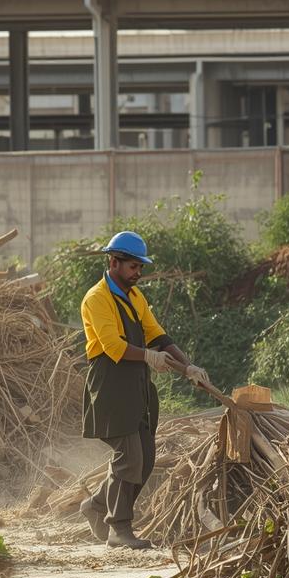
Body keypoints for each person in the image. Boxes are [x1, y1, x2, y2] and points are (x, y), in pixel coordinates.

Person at [79, 230, 210, 549]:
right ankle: (119, 529)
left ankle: (96, 505)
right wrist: (149, 357)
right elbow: (112, 346)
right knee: (129, 456)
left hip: (136, 382)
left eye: (140, 267)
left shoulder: (136, 297)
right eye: (133, 266)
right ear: (113, 262)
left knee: (145, 458)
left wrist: (187, 365)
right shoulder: (97, 299)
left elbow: (158, 336)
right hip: (110, 382)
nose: (138, 272)